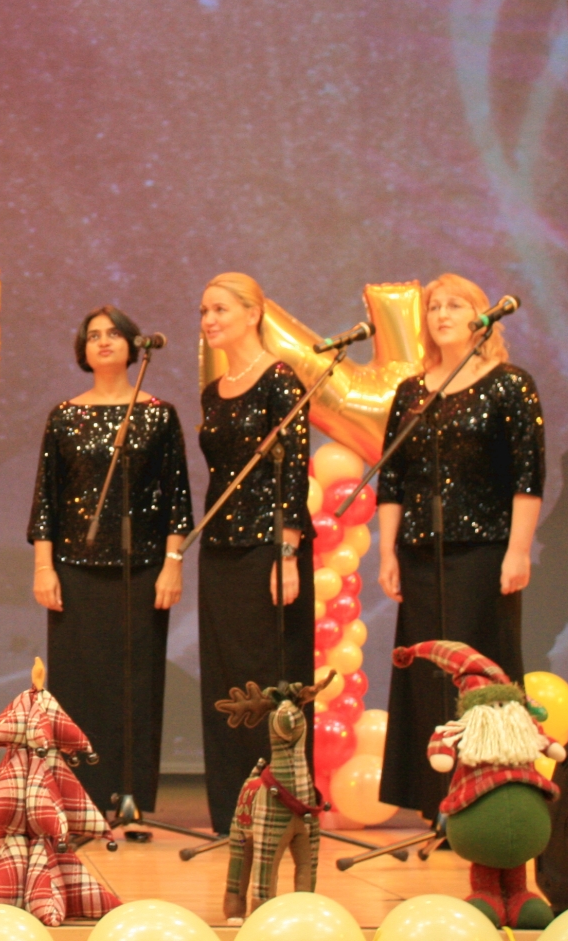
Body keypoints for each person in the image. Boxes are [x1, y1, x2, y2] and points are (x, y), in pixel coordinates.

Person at [376, 273, 545, 824]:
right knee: (429, 677)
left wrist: (518, 551)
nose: (442, 314)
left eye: (455, 305)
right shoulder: (411, 392)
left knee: (482, 678)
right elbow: (393, 480)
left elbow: (528, 476)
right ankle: (438, 806)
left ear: (482, 317)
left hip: (484, 553)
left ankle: (490, 802)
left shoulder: (510, 384)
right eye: (433, 307)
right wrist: (387, 553)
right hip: (420, 555)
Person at [27, 306, 192, 818]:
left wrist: (172, 563)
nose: (103, 341)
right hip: (73, 570)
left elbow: (177, 498)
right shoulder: (64, 415)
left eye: (114, 333)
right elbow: (47, 500)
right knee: (79, 687)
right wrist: (43, 567)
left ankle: (132, 798)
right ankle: (79, 801)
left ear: (133, 344)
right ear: (83, 349)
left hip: (140, 568)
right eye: (93, 335)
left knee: (137, 685)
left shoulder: (158, 414)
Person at [194, 273, 313, 836]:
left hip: (268, 549)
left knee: (268, 677)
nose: (209, 320)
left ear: (252, 313)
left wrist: (287, 552)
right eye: (204, 311)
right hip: (220, 548)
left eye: (219, 309)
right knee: (226, 680)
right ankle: (231, 809)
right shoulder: (212, 391)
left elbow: (293, 472)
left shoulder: (281, 381)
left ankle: (278, 802)